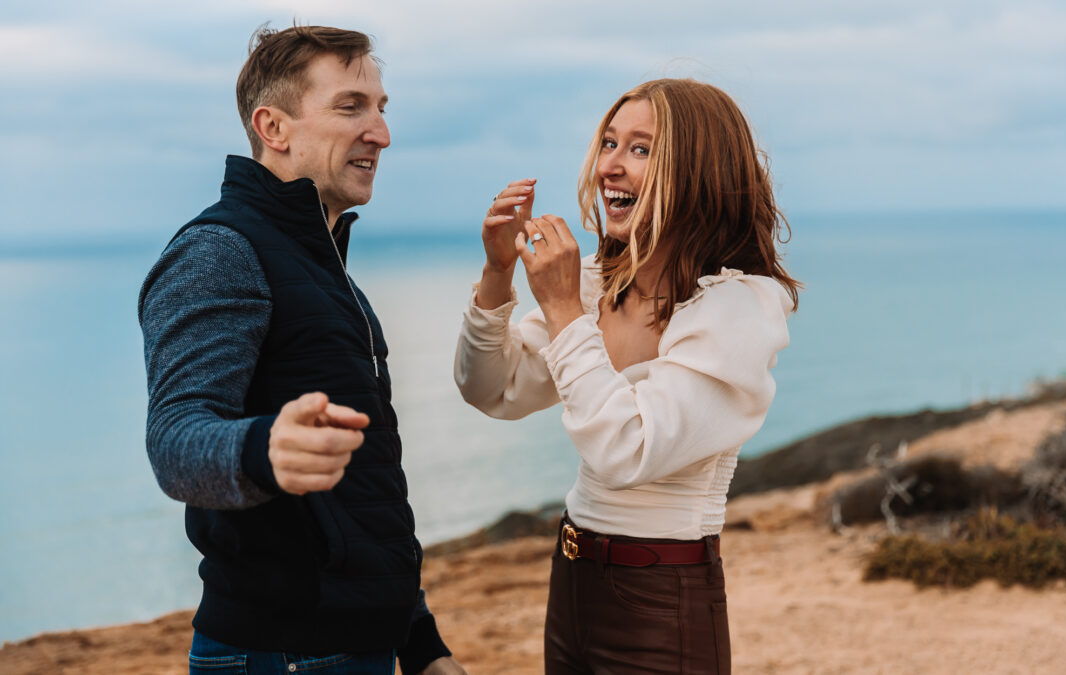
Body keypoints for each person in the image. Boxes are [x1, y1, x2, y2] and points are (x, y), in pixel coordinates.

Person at [138, 25, 465, 675]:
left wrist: (420, 641)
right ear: (273, 127)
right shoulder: (220, 250)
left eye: (381, 109)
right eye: (351, 107)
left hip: (358, 646)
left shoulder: (328, 272)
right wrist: (264, 448)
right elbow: (175, 440)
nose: (381, 133)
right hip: (280, 653)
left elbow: (367, 493)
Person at [454, 78, 800, 673]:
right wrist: (497, 272)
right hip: (571, 582)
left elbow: (627, 449)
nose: (611, 166)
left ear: (697, 172)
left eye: (641, 150)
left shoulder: (736, 308)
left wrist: (563, 311)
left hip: (662, 600)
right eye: (609, 144)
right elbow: (490, 389)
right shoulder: (597, 283)